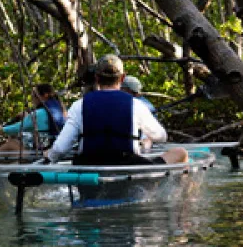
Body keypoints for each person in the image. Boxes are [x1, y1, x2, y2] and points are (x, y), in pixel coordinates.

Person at [45, 54, 188, 165]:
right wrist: (142, 140)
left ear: (97, 77)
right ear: (122, 77)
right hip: (127, 168)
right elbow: (162, 137)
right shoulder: (136, 105)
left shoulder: (79, 105)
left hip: (89, 168)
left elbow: (60, 149)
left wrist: (49, 156)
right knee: (180, 152)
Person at [0, 83, 66, 153]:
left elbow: (19, 127)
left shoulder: (39, 113)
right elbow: (37, 123)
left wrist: (2, 129)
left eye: (34, 96)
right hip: (53, 147)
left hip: (41, 151)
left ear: (45, 95)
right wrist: (27, 116)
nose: (32, 99)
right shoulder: (61, 110)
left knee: (11, 144)